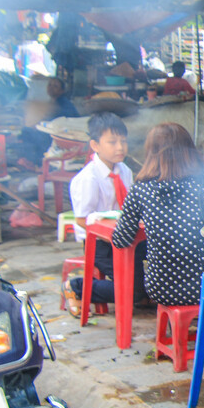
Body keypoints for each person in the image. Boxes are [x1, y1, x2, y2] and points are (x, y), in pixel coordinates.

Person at [111, 123, 204, 305]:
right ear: (189, 150)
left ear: (151, 153)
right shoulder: (203, 182)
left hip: (162, 289)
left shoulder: (140, 189)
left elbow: (121, 240)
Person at [64, 113, 147, 315]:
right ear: (95, 145)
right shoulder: (88, 178)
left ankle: (147, 291)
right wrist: (112, 232)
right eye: (112, 142)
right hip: (101, 243)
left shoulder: (124, 170)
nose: (120, 147)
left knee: (164, 256)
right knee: (134, 293)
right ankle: (76, 287)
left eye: (123, 141)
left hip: (125, 238)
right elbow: (82, 220)